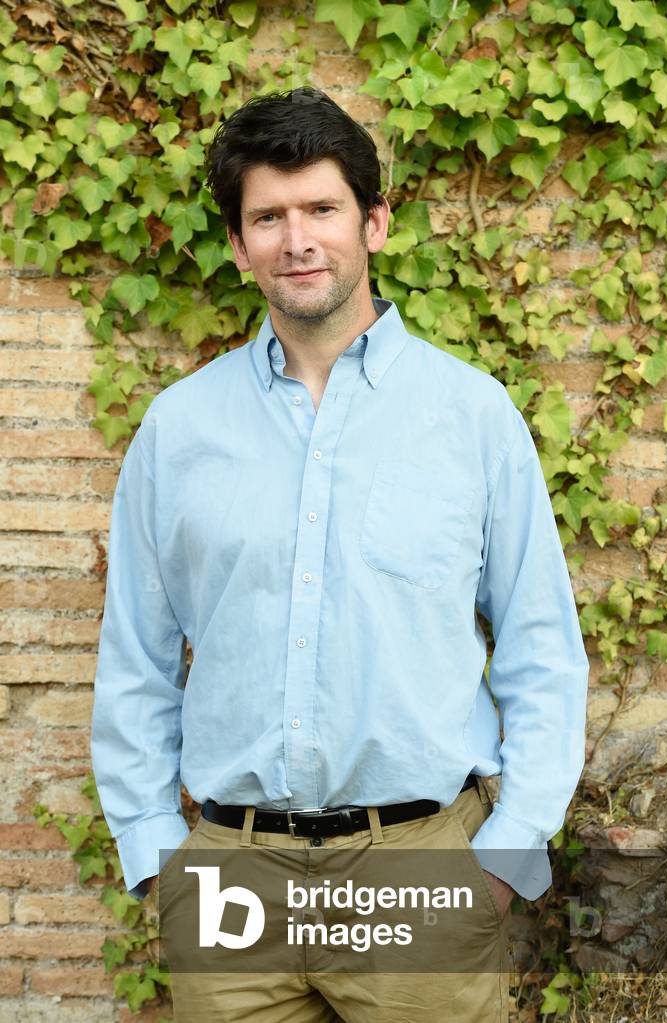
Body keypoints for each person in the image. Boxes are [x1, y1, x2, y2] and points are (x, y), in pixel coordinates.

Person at [90, 87, 590, 1022]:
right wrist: (160, 857)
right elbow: (136, 662)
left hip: (422, 869)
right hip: (233, 880)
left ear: (374, 222)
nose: (297, 240)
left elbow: (541, 648)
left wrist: (507, 851)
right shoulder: (178, 428)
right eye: (267, 217)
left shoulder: (472, 416)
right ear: (238, 245)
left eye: (321, 208)